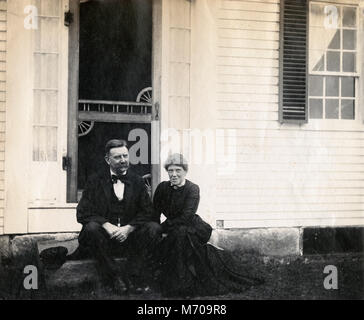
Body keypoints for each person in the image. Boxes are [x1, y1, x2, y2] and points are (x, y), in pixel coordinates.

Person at [153, 153, 263, 297]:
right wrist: (155, 229)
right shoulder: (162, 187)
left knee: (180, 236)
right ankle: (174, 282)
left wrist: (163, 228)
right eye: (170, 170)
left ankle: (184, 285)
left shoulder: (193, 189)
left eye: (178, 170)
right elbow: (154, 211)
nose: (174, 174)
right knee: (175, 235)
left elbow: (186, 216)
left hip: (193, 226)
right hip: (175, 227)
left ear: (185, 171)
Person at [75, 139, 162, 294]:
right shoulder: (95, 181)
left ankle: (132, 274)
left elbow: (148, 211)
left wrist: (129, 228)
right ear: (107, 160)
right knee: (91, 228)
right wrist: (106, 225)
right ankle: (114, 277)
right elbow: (82, 212)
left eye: (125, 156)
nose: (123, 160)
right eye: (117, 157)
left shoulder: (137, 181)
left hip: (130, 238)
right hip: (104, 238)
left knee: (153, 228)